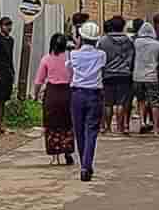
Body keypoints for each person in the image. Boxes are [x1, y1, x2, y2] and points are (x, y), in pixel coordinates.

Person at [68, 21, 106, 182]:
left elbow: (69, 68)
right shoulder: (101, 55)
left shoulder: (74, 54)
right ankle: (86, 165)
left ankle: (84, 163)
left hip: (77, 94)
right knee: (91, 131)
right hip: (94, 94)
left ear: (81, 37)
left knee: (79, 131)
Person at [34, 34, 75, 165]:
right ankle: (67, 150)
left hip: (52, 93)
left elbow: (38, 81)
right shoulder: (70, 59)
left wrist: (35, 95)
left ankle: (55, 156)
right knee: (67, 123)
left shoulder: (46, 59)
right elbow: (74, 76)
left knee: (52, 125)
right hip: (67, 93)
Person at [98, 16, 135, 135]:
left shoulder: (103, 41)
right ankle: (120, 127)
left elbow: (101, 59)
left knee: (108, 103)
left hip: (108, 75)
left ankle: (107, 127)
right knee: (121, 103)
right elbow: (131, 58)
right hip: (124, 74)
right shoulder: (129, 41)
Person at [132, 20, 159, 135]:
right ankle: (156, 128)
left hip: (137, 76)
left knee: (141, 101)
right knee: (155, 102)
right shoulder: (157, 44)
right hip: (151, 76)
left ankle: (142, 122)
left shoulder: (136, 42)